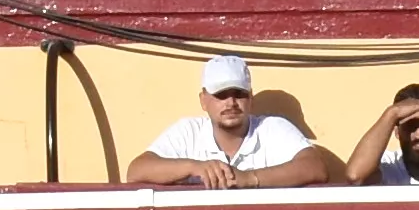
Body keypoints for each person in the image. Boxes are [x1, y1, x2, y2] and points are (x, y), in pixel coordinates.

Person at [130, 46, 336, 187]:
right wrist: (194, 167)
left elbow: (315, 167)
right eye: (221, 94)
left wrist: (250, 178)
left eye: (239, 94)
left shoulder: (272, 128)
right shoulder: (188, 131)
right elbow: (136, 171)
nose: (231, 102)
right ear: (203, 100)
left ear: (250, 98)